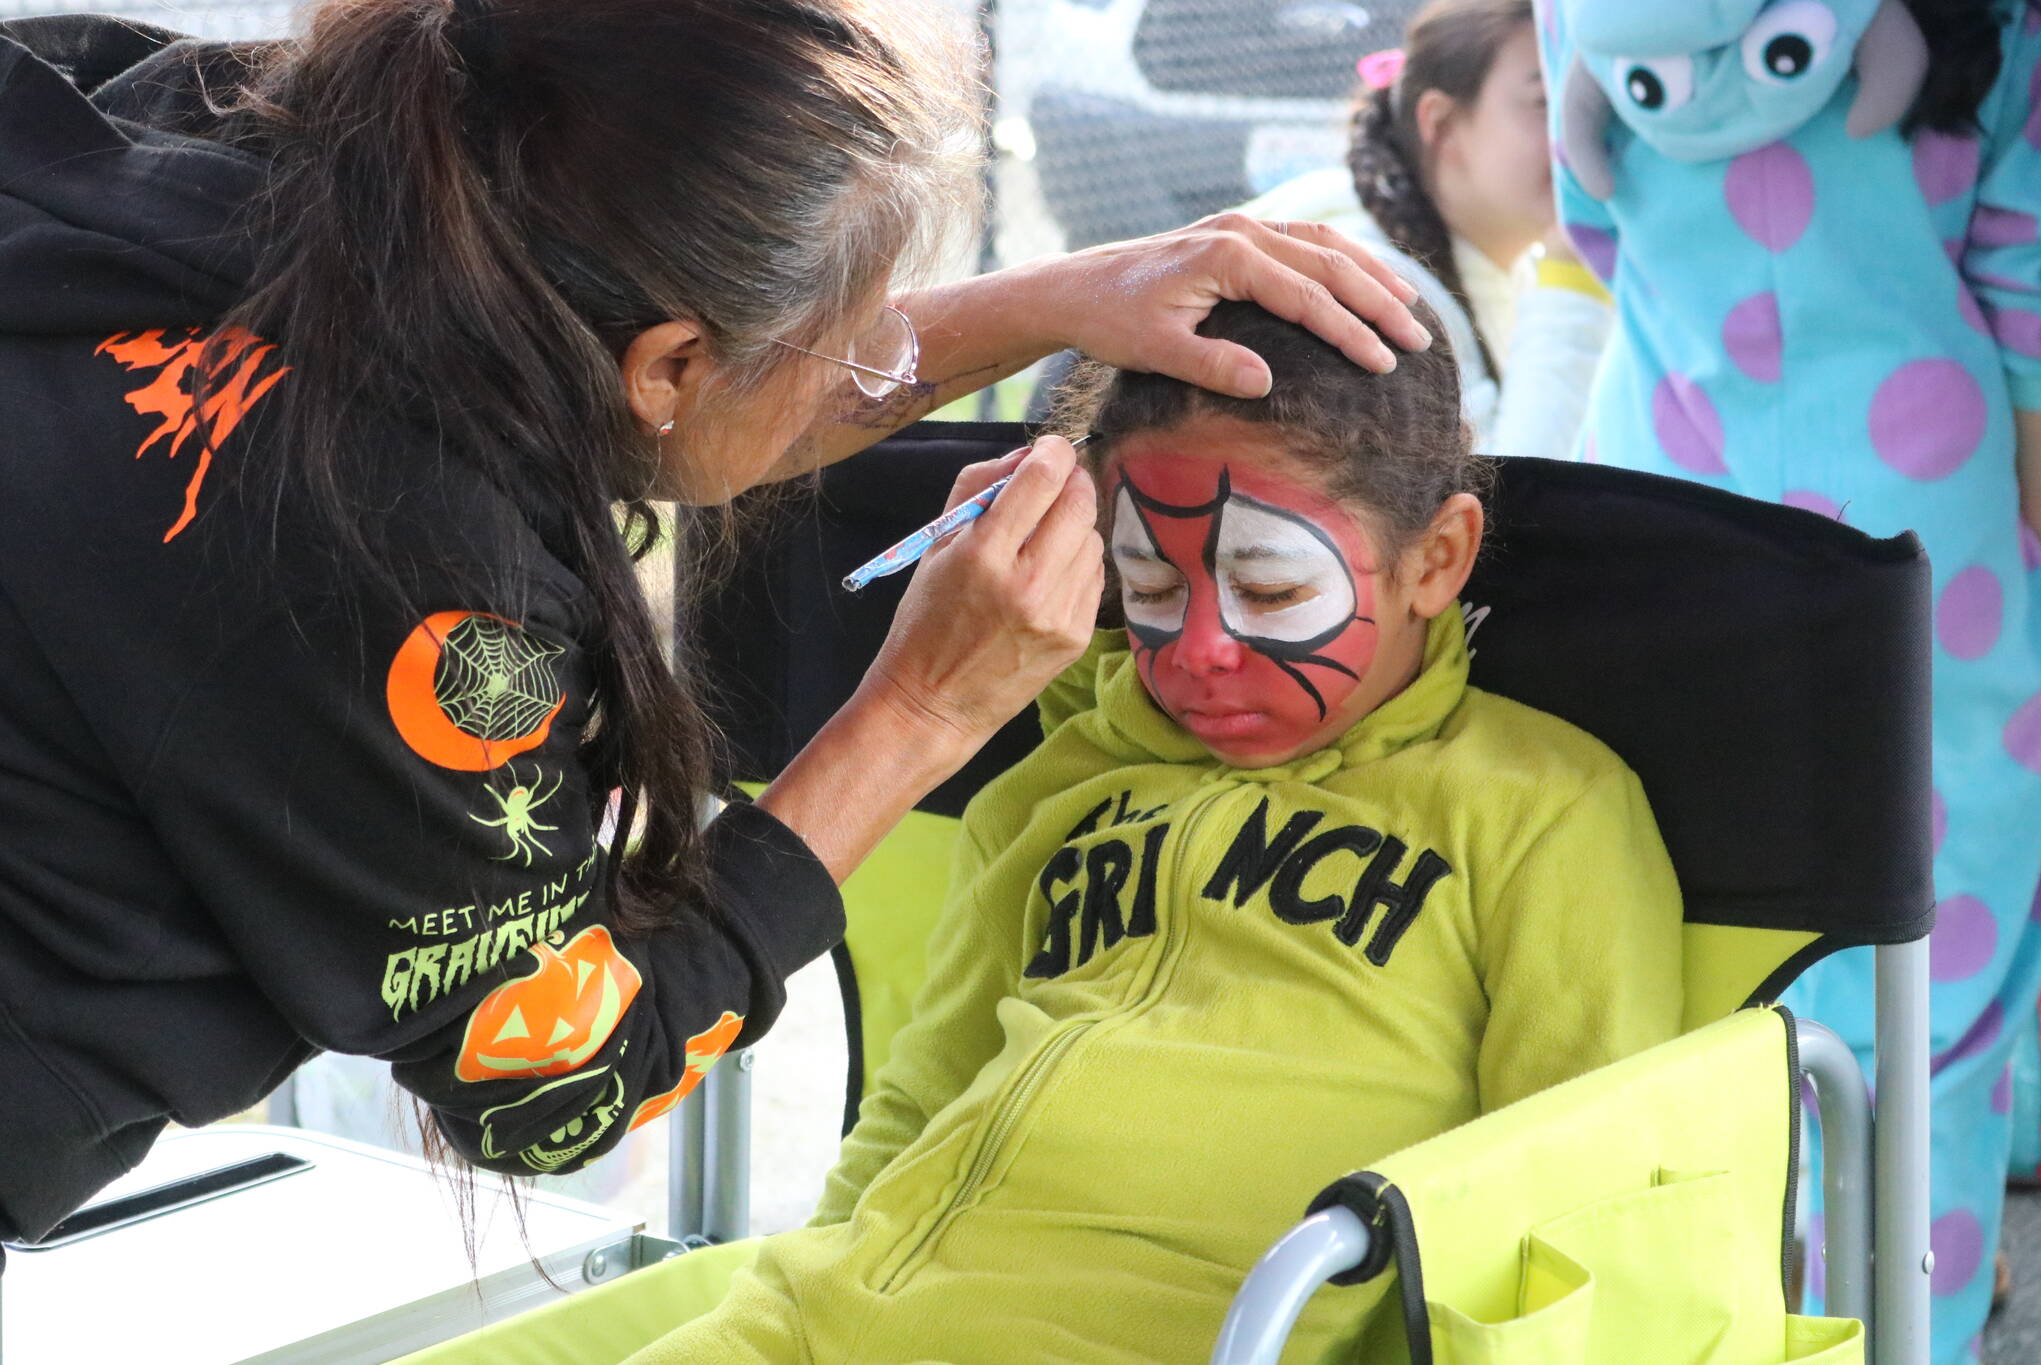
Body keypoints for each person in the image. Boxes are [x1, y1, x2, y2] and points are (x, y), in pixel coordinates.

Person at [0, 0, 1435, 1251]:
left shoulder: (288, 144)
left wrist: (1061, 294)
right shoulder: (391, 563)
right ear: (670, 360)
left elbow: (696, 400)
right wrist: (919, 712)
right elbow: (552, 1084)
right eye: (853, 339)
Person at [629, 301, 1684, 1363]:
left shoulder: (1544, 809)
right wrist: (807, 1289)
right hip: (818, 1319)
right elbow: (921, 1091)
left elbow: (1576, 1184)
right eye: (1148, 586)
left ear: (1437, 558)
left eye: (1269, 589)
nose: (1196, 654)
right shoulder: (1058, 784)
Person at [1537, 1, 2041, 1357]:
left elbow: (1594, 229)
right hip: (1941, 540)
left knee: (1705, 987)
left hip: (1677, 510)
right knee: (1932, 1007)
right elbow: (2029, 283)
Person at [1240, 0, 1612, 459]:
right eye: (1546, 103)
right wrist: (1570, 276)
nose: (1579, 131)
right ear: (1440, 123)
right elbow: (1508, 506)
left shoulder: (1497, 267)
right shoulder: (1374, 287)